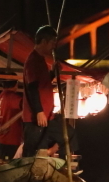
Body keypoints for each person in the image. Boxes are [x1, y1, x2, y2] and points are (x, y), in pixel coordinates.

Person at [22, 26, 78, 156]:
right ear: (44, 41)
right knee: (31, 154)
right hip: (36, 118)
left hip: (47, 116)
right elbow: (32, 87)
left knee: (69, 134)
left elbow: (43, 83)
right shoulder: (33, 60)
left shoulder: (40, 59)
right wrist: (39, 111)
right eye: (52, 42)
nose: (54, 46)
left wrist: (52, 73)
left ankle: (57, 161)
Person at [0, 83, 23, 159]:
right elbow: (24, 105)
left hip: (0, 138)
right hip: (12, 138)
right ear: (16, 85)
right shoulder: (13, 97)